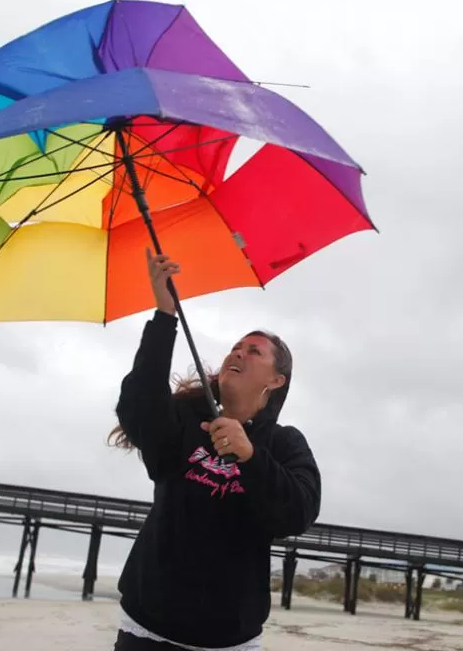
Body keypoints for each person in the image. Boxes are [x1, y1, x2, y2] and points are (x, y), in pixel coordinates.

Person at [107, 249, 322, 651]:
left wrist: (251, 457)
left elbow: (298, 513)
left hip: (231, 640)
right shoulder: (188, 421)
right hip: (149, 629)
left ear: (276, 380)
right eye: (236, 345)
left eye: (253, 350)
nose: (237, 351)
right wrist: (164, 316)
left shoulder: (284, 443)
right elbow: (139, 411)